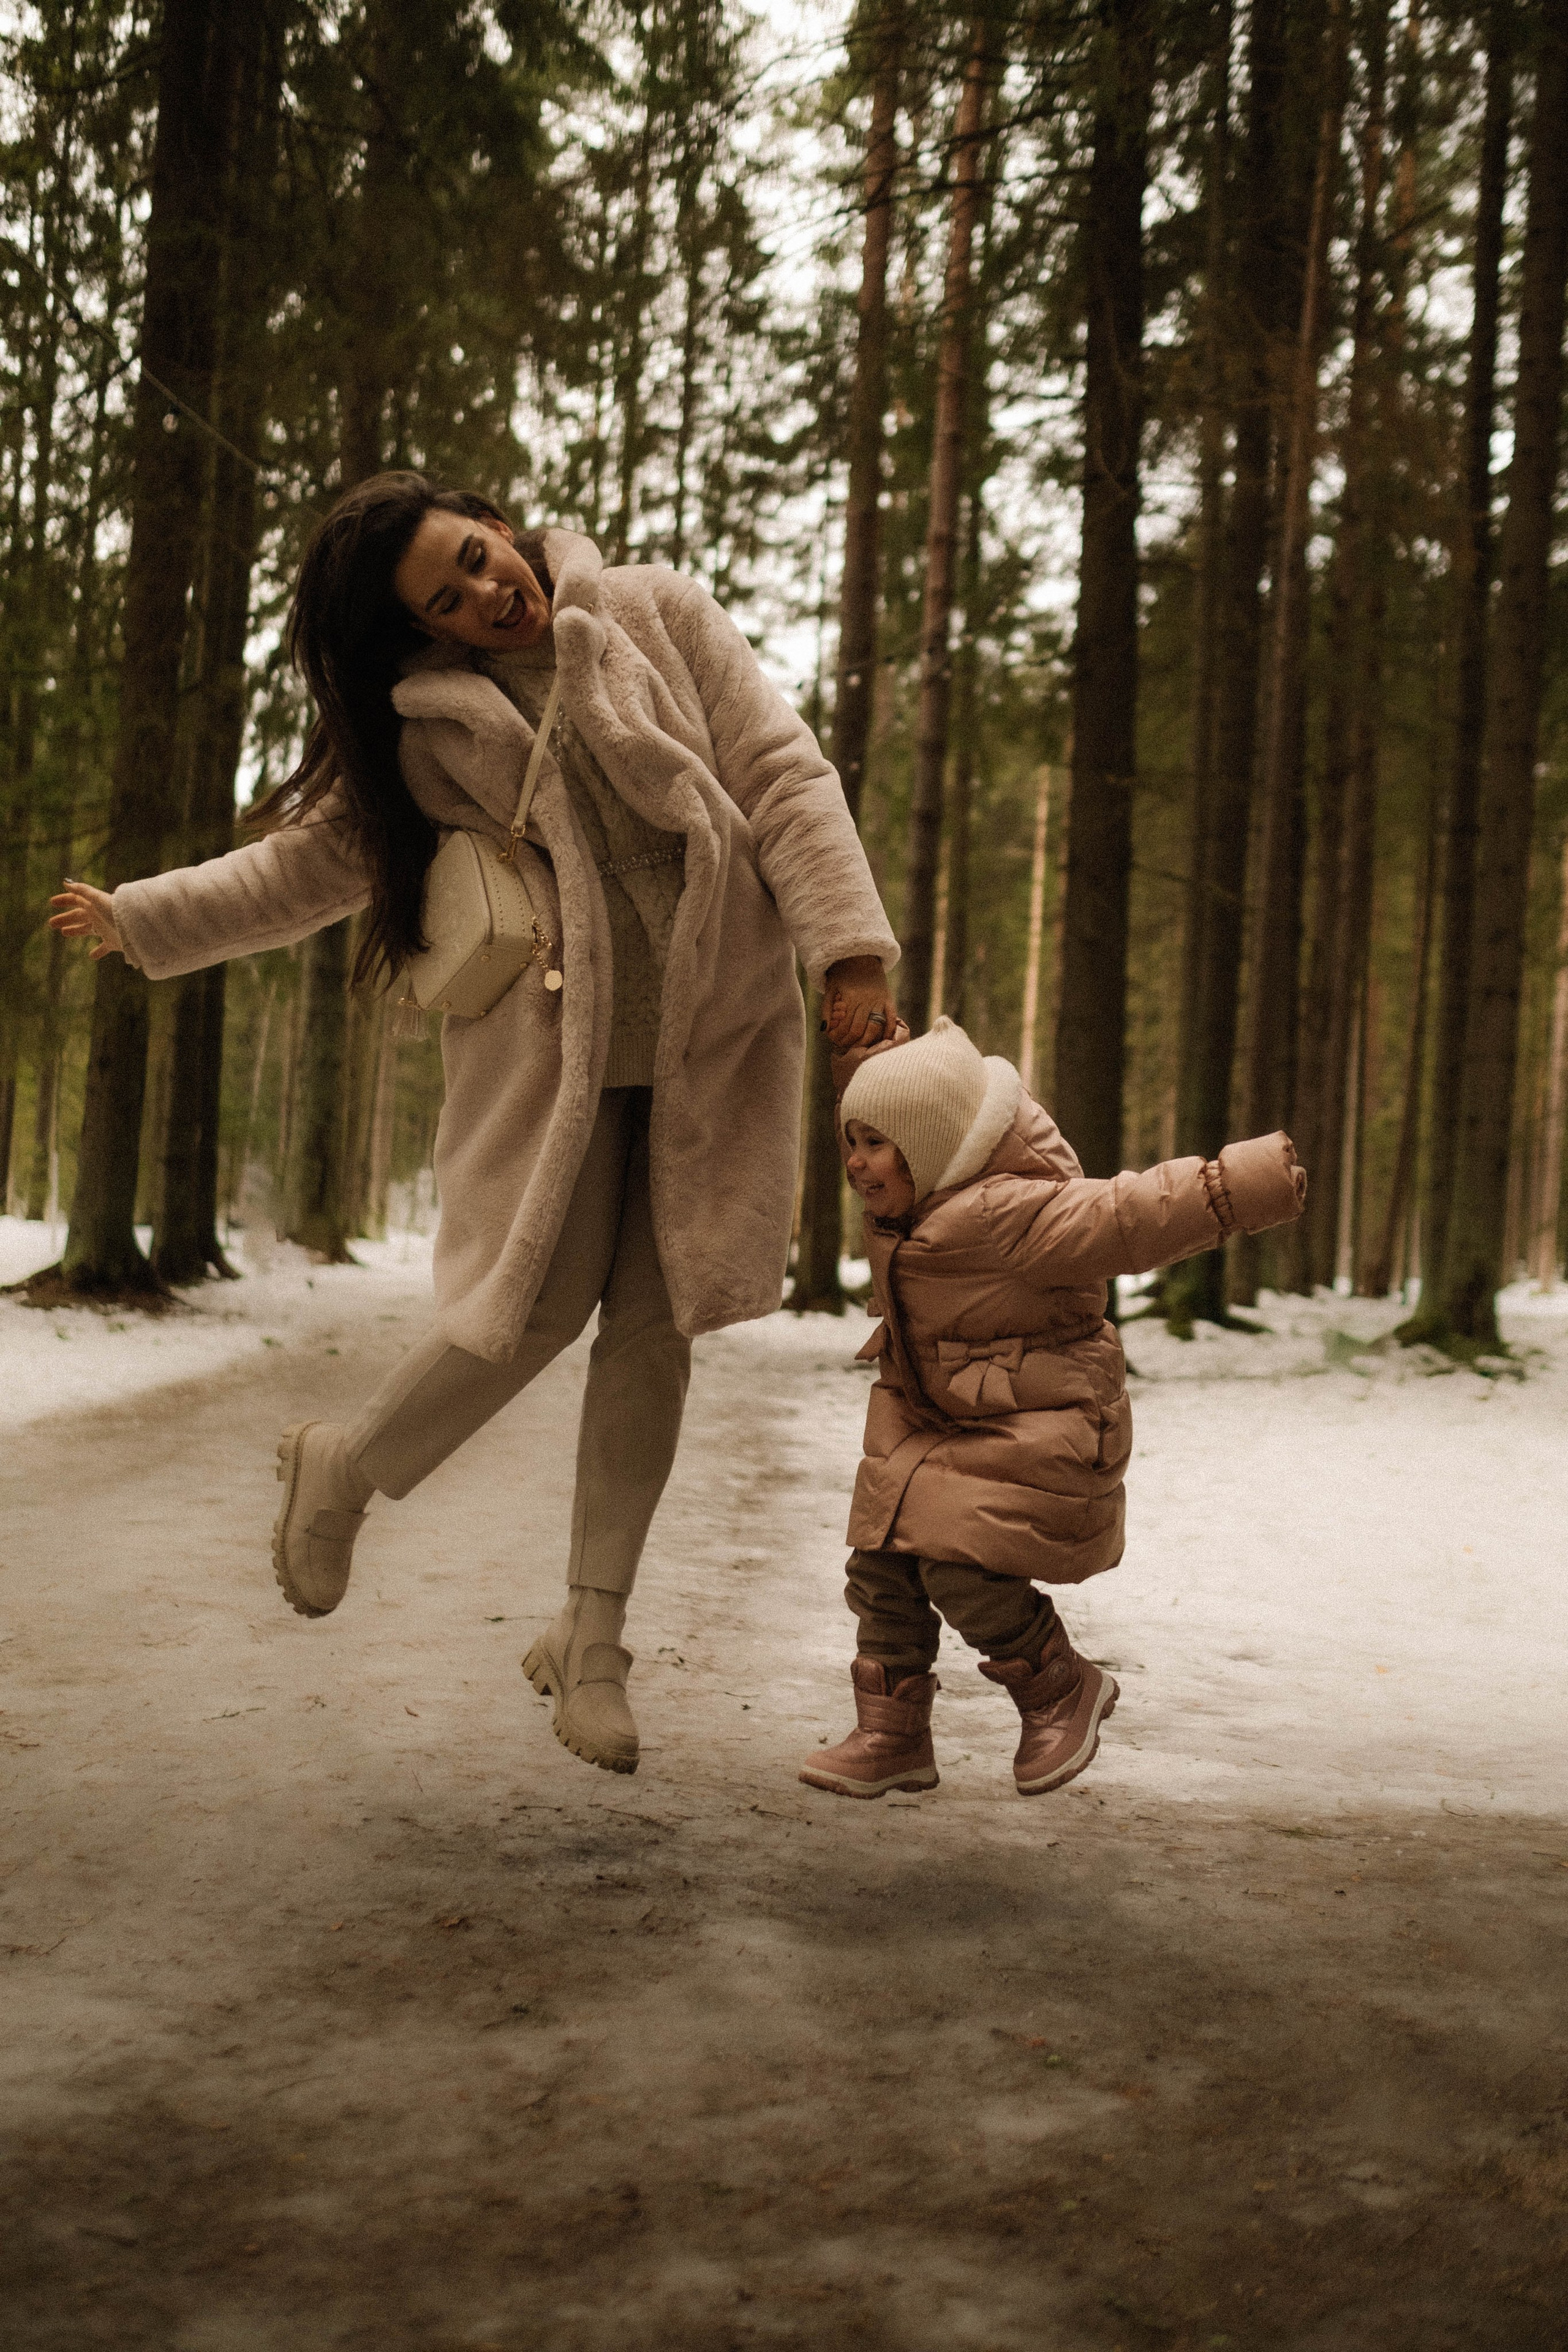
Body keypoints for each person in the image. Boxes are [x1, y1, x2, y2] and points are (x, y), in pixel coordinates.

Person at [51, 473, 899, 1777]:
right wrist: (151, 915)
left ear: (494, 520)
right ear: (425, 632)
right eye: (447, 601)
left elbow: (782, 773)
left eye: (475, 559)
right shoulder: (426, 730)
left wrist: (847, 952)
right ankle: (344, 1468)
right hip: (552, 1063)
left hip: (705, 1045)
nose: (487, 597)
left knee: (656, 1332)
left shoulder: (657, 613)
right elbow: (306, 866)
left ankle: (592, 1641)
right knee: (534, 1307)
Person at [798, 1017, 1305, 1803]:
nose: (856, 1161)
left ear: (930, 1148)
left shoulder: (1008, 1213)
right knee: (880, 1561)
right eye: (851, 1141)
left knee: (953, 1562)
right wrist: (861, 1048)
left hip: (1043, 1420)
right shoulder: (913, 1198)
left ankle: (1059, 1687)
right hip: (941, 1421)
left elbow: (1128, 1216)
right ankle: (892, 1733)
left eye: (875, 1143)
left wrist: (1235, 1185)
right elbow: (904, 1099)